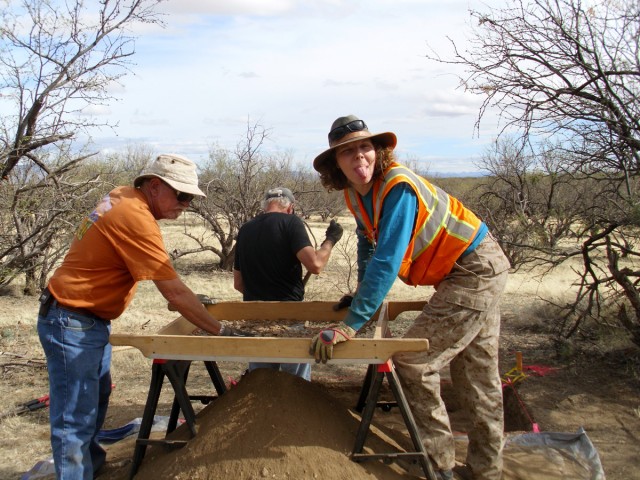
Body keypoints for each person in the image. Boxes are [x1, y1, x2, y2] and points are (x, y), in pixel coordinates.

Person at [309, 116, 511, 480]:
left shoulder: (398, 187)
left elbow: (387, 258)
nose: (359, 158)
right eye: (347, 152)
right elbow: (367, 243)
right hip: (468, 272)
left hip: (473, 270)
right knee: (477, 375)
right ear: (335, 163)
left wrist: (352, 324)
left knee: (414, 362)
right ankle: (487, 471)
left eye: (365, 148)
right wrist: (360, 297)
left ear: (379, 151)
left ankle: (440, 466)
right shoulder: (356, 194)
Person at [37, 153, 252, 479]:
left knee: (96, 395)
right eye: (181, 195)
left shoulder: (123, 195)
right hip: (71, 320)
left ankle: (92, 466)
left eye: (190, 197)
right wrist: (219, 331)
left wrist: (186, 302)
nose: (187, 204)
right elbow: (174, 292)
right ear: (154, 186)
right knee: (74, 414)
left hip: (86, 319)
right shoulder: (135, 216)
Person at [233, 187, 343, 381]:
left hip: (254, 316)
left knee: (261, 381)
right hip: (289, 316)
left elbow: (238, 283)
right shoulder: (291, 223)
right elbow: (316, 265)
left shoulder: (245, 229)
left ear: (265, 206)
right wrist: (331, 239)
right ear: (290, 207)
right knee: (297, 382)